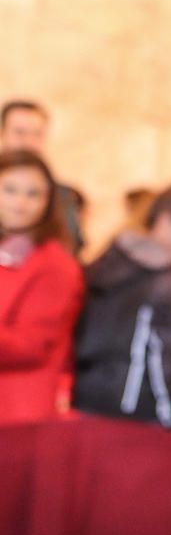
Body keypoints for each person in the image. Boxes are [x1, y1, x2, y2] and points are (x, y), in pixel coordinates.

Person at [74, 182, 171, 428]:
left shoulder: (107, 263)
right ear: (164, 221)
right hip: (144, 421)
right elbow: (168, 366)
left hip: (86, 407)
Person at [0, 149, 84, 424]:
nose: (20, 203)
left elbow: (30, 345)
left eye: (33, 194)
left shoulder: (54, 264)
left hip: (17, 412)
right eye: (10, 190)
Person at [0, 99, 84, 253]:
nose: (29, 142)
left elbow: (71, 248)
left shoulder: (62, 195)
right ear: (3, 133)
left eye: (37, 134)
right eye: (20, 132)